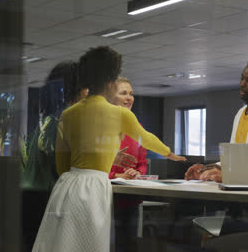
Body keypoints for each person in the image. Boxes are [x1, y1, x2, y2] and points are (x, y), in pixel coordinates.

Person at [32, 46, 186, 252]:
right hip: (94, 187)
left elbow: (62, 165)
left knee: (60, 244)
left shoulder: (68, 115)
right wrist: (170, 153)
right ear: (111, 81)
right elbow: (147, 139)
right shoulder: (120, 114)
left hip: (66, 187)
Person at [184, 55, 248, 182]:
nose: (242, 84)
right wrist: (205, 169)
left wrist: (225, 175)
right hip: (235, 188)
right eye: (242, 78)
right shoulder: (240, 113)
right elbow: (234, 160)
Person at [23, 60, 87, 190]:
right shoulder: (67, 119)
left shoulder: (50, 119)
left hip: (34, 194)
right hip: (49, 197)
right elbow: (70, 168)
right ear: (77, 88)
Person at [108, 77, 147, 252]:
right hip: (107, 199)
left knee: (129, 246)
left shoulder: (137, 126)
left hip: (131, 199)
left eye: (131, 94)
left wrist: (137, 173)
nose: (129, 97)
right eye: (123, 93)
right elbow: (91, 165)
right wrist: (116, 176)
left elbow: (142, 162)